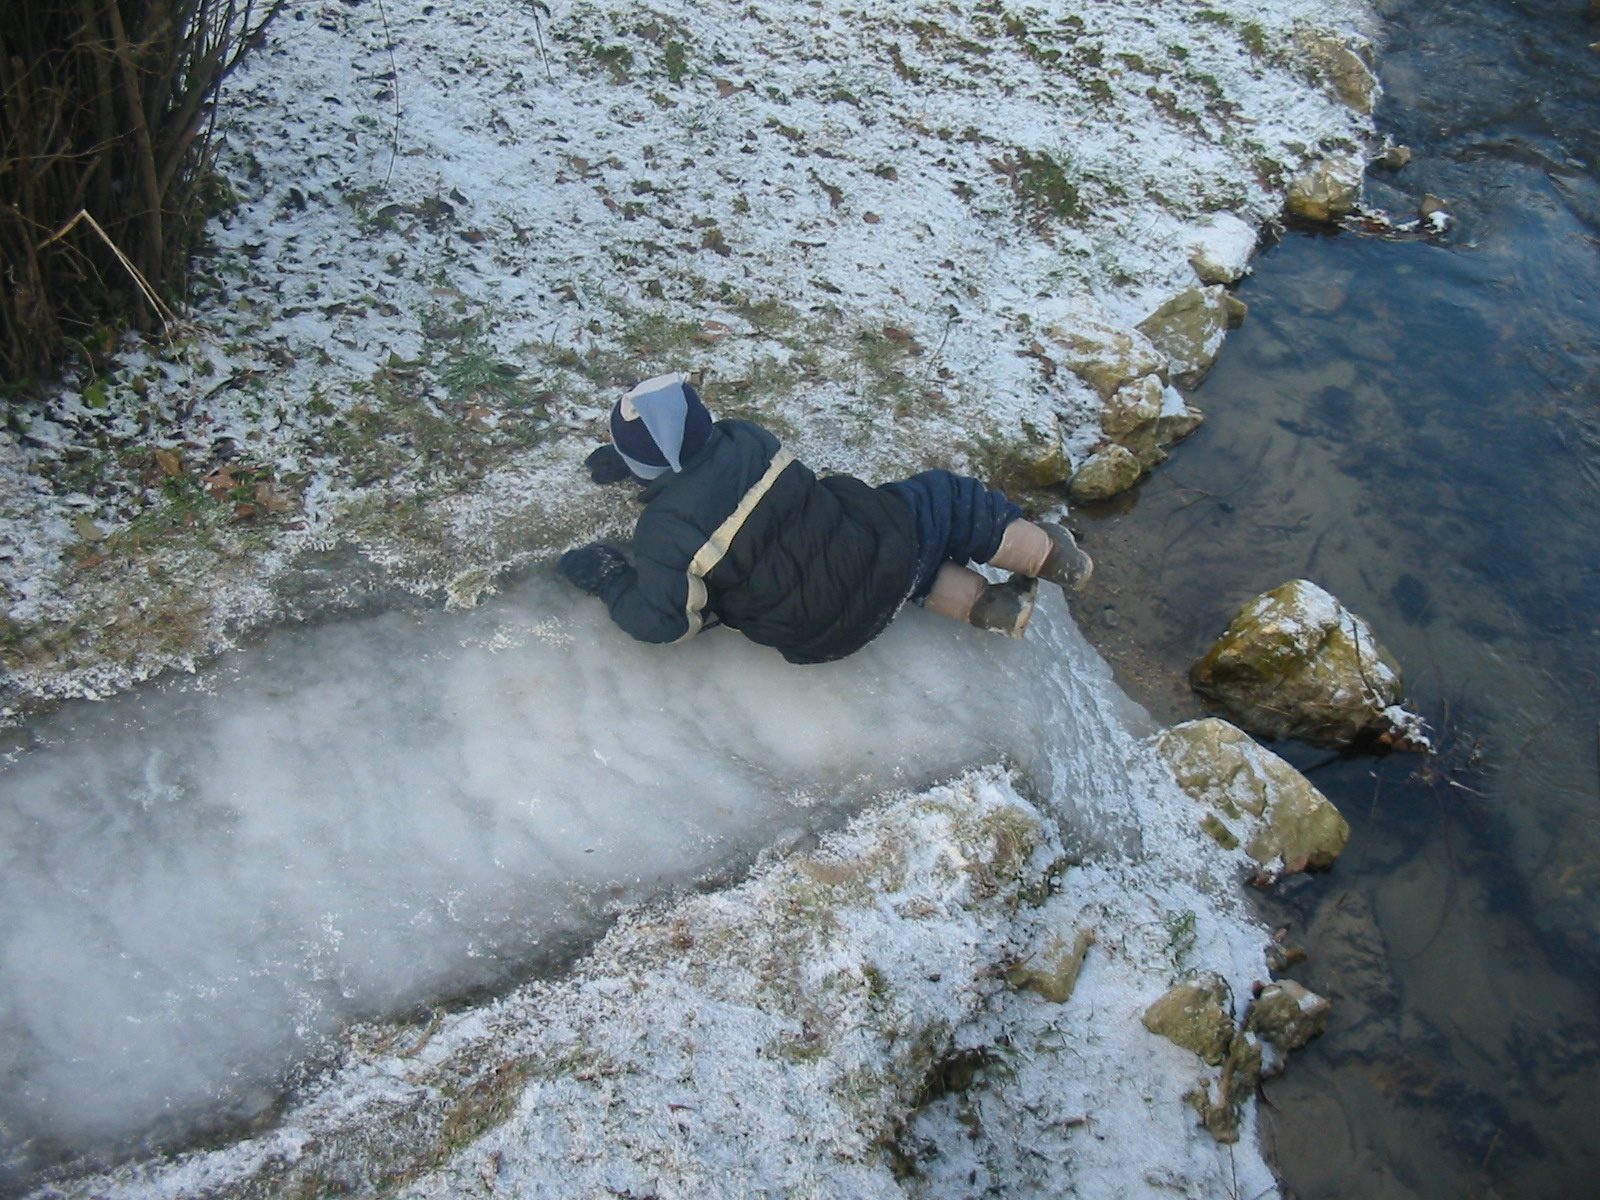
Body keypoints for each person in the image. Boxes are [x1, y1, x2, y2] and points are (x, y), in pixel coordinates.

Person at [558, 373, 1092, 664]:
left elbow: (662, 620)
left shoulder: (665, 538)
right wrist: (646, 468)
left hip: (820, 637)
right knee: (940, 500)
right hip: (880, 553)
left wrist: (612, 581)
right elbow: (696, 459)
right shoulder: (749, 441)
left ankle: (992, 608)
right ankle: (1048, 553)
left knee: (889, 566)